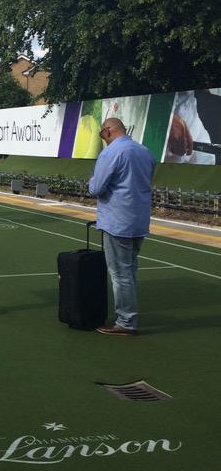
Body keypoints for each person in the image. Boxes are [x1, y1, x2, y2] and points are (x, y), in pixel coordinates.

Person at [88, 116, 155, 336]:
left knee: (120, 273)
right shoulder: (144, 151)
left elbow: (96, 188)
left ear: (107, 131)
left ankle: (126, 321)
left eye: (101, 134)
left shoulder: (111, 152)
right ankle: (128, 315)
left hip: (118, 220)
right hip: (138, 218)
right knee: (130, 269)